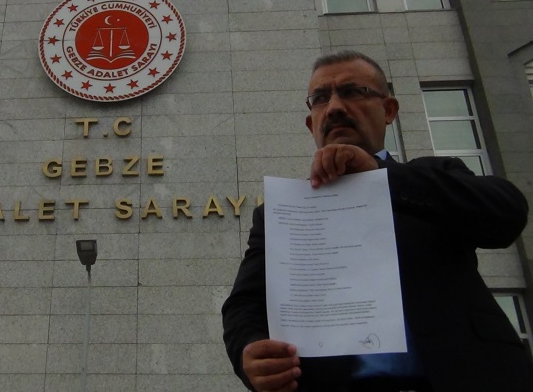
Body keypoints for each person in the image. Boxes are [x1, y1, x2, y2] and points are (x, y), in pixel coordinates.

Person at [222, 50, 533, 392]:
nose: (335, 107)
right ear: (311, 124)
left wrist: (381, 176)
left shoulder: (430, 179)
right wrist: (249, 352)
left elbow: (507, 214)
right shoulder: (284, 212)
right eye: (321, 98)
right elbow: (245, 304)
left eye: (353, 92)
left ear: (388, 110)